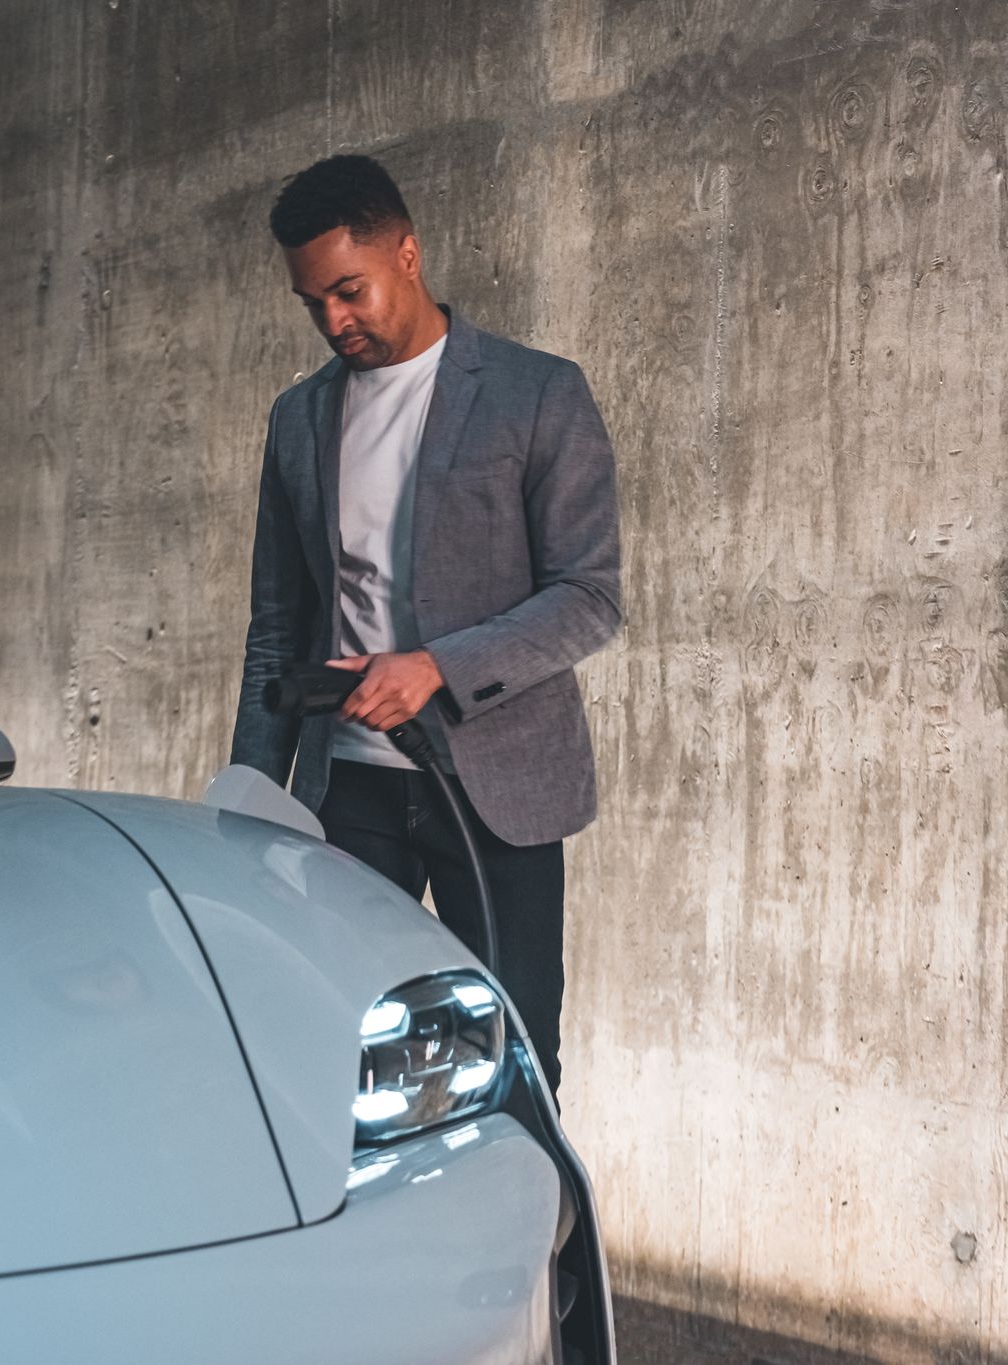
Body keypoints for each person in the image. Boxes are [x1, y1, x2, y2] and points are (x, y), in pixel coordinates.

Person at [230, 154, 621, 1097]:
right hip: (349, 794)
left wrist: (436, 668)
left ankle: (541, 1246)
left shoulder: (538, 394)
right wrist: (246, 789)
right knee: (353, 1060)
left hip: (499, 790)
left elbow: (588, 595)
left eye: (348, 291)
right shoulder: (298, 421)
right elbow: (277, 627)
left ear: (407, 253)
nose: (333, 321)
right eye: (312, 302)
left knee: (516, 1059)